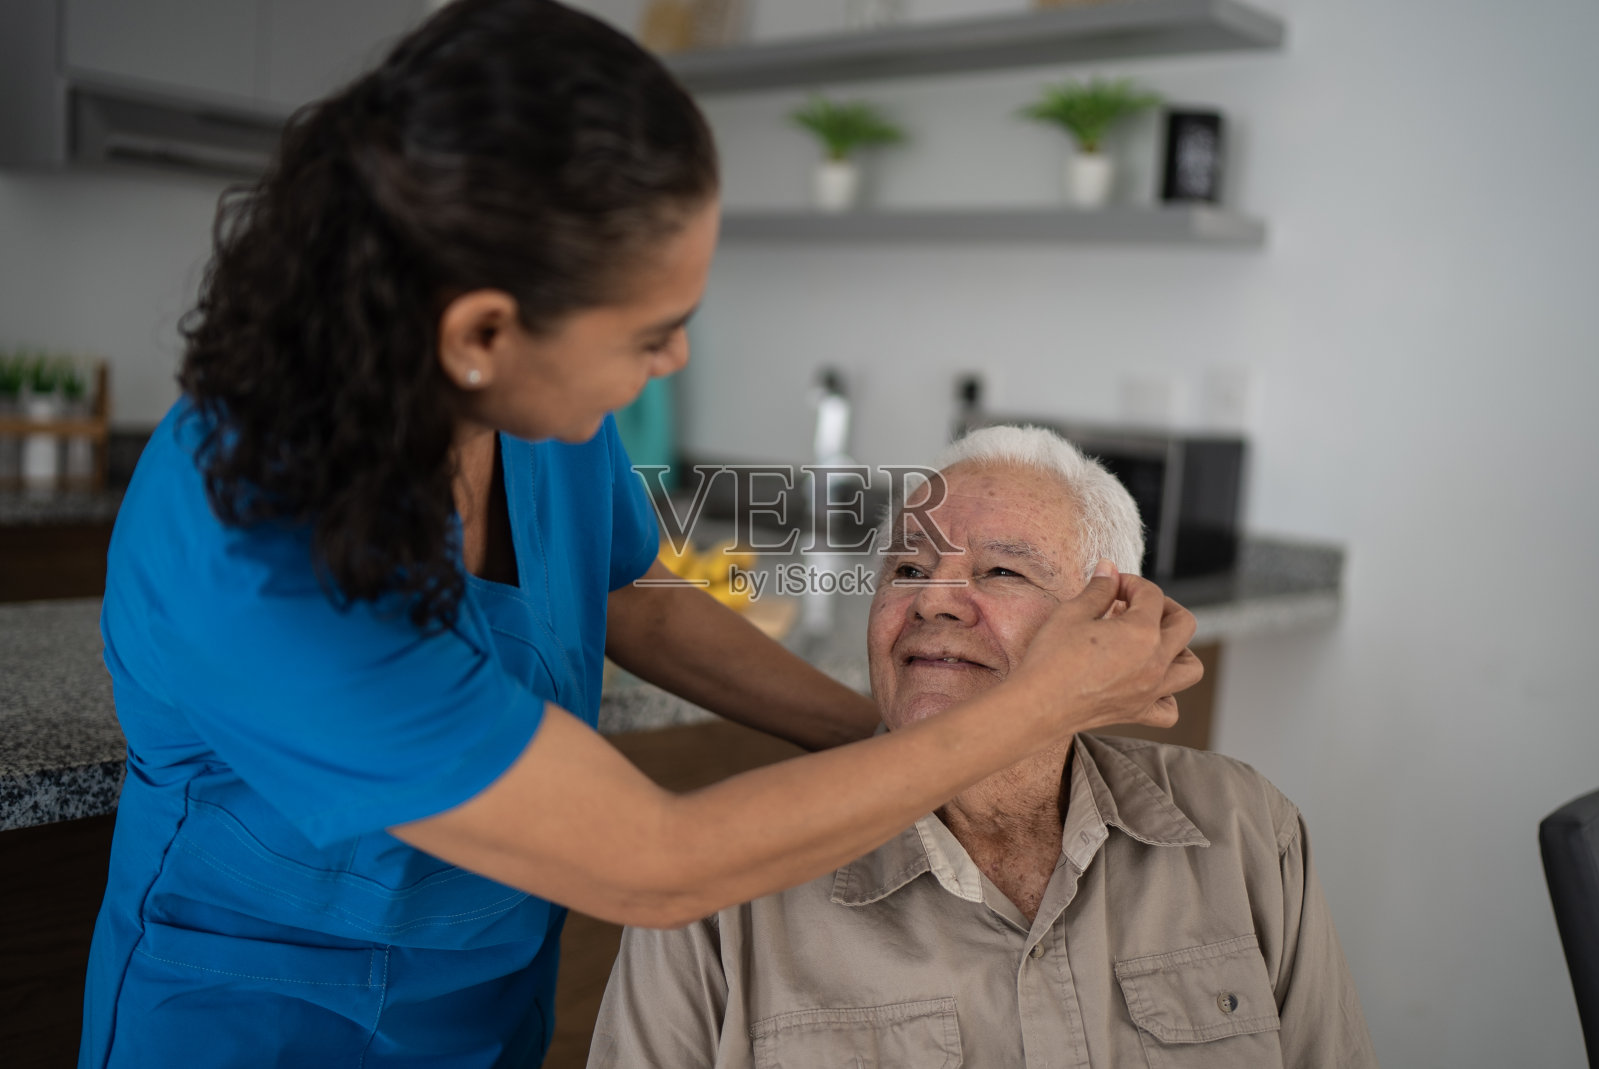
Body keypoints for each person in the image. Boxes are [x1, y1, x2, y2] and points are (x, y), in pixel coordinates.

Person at [79, 4, 1202, 1067]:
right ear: (483, 328)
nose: (670, 365)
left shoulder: (525, 409)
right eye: (652, 333)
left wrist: (881, 737)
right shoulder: (253, 554)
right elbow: (657, 863)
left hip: (480, 1007)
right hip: (265, 1026)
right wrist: (1031, 708)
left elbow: (633, 597)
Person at [589, 425, 1378, 1069]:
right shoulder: (721, 906)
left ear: (1116, 626)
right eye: (906, 566)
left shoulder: (1245, 833)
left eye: (1001, 569)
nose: (931, 596)